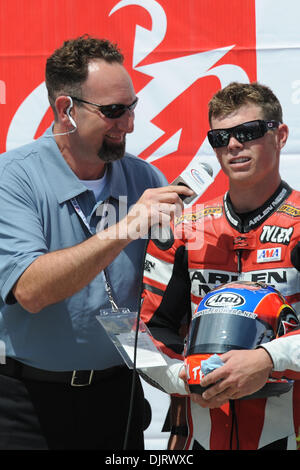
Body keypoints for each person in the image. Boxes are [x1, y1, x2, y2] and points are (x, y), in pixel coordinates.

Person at [0, 35, 192, 450]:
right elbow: (31, 290)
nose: (129, 124)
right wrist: (126, 226)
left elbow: (177, 296)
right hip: (27, 403)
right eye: (113, 112)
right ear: (66, 109)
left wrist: (183, 395)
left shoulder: (145, 178)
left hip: (116, 396)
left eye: (132, 107)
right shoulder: (13, 178)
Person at [140, 82, 300, 450]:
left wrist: (266, 360)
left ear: (280, 136)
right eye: (220, 136)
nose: (233, 145)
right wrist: (187, 378)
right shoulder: (182, 226)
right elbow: (148, 334)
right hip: (199, 436)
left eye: (249, 132)